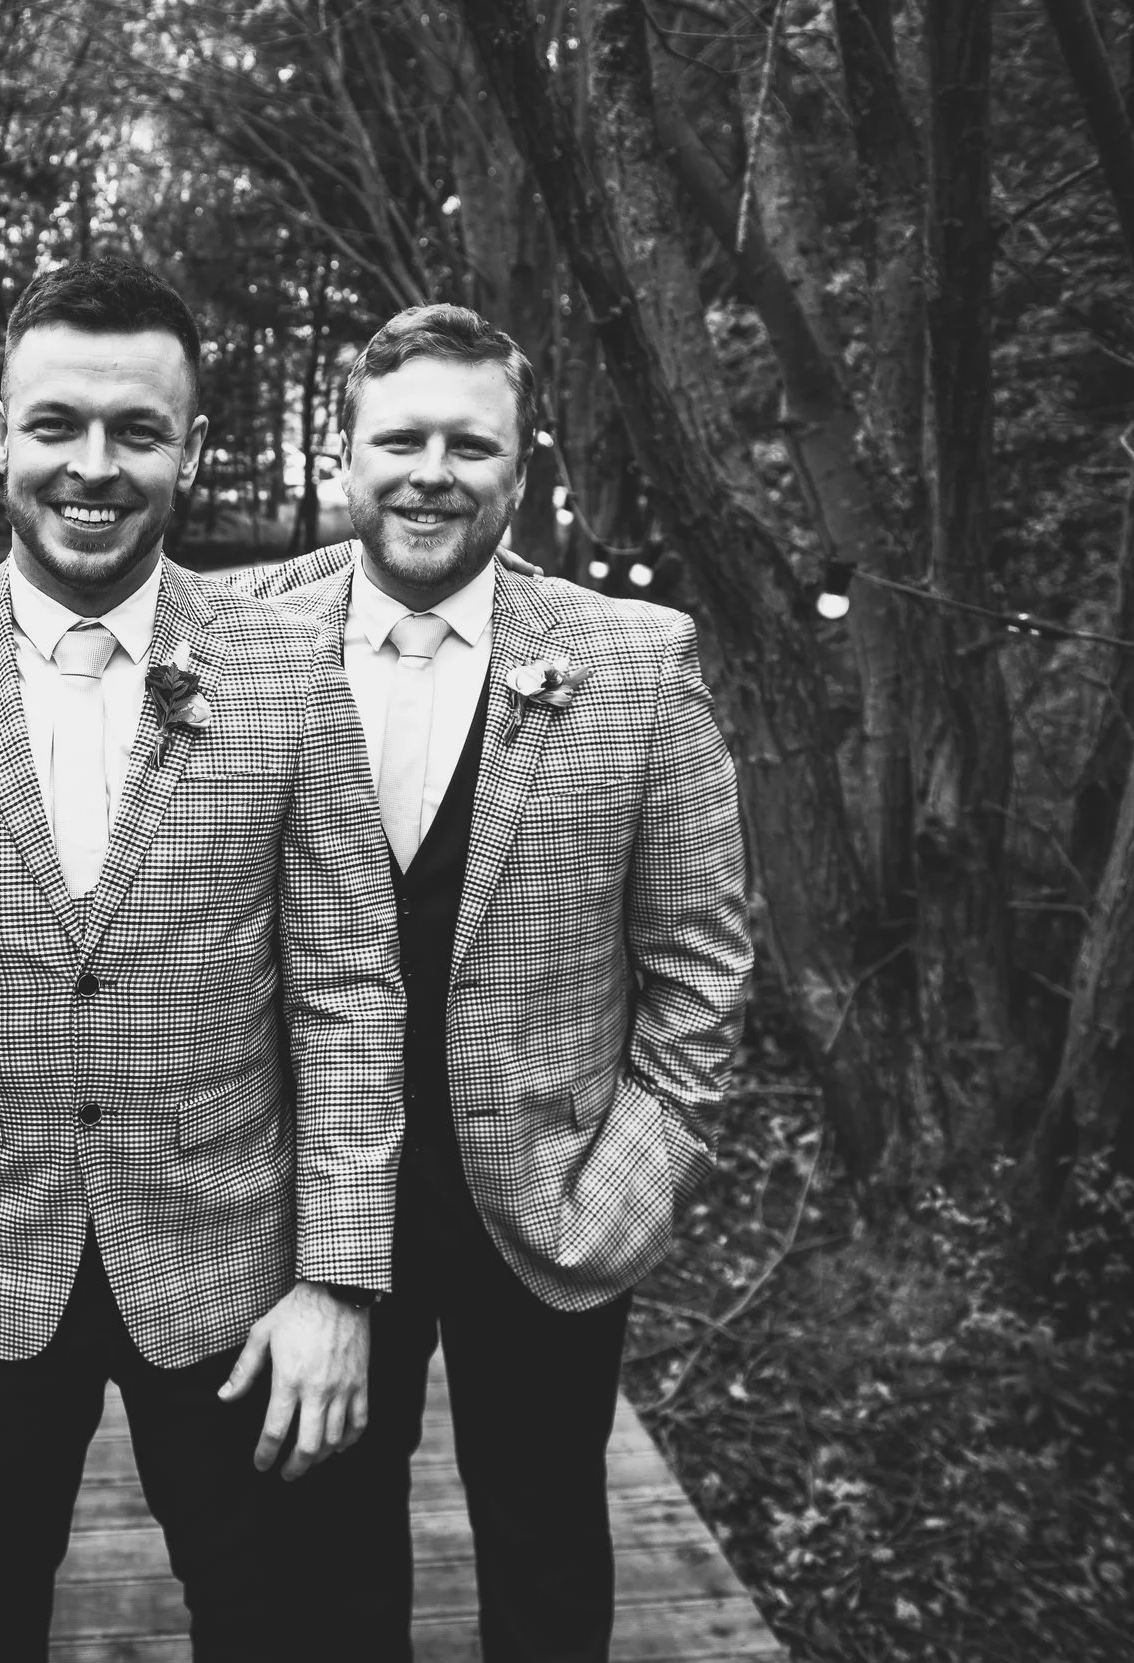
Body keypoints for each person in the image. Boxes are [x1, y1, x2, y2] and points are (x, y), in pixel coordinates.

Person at [0, 257, 406, 1661]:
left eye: (138, 430)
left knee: (270, 1613)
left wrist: (341, 1280)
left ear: (186, 445)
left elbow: (350, 986)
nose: (94, 466)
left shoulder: (288, 670)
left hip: (230, 1260)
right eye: (57, 424)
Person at [252, 304, 752, 1662]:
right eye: (399, 439)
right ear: (342, 461)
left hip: (543, 1206)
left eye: (469, 445)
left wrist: (631, 1180)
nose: (431, 471)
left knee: (545, 1544)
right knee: (324, 1545)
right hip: (303, 1204)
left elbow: (702, 963)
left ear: (519, 473)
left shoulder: (637, 662)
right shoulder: (236, 633)